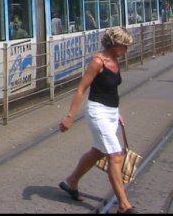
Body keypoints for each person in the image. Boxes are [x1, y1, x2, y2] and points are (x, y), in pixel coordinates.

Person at [58, 26, 136, 214]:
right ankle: (124, 206)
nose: (126, 50)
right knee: (115, 156)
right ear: (116, 45)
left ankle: (71, 181)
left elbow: (111, 90)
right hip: (97, 112)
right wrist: (70, 116)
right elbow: (81, 89)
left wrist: (117, 112)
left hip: (110, 113)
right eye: (125, 46)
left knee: (98, 152)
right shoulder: (98, 62)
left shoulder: (116, 61)